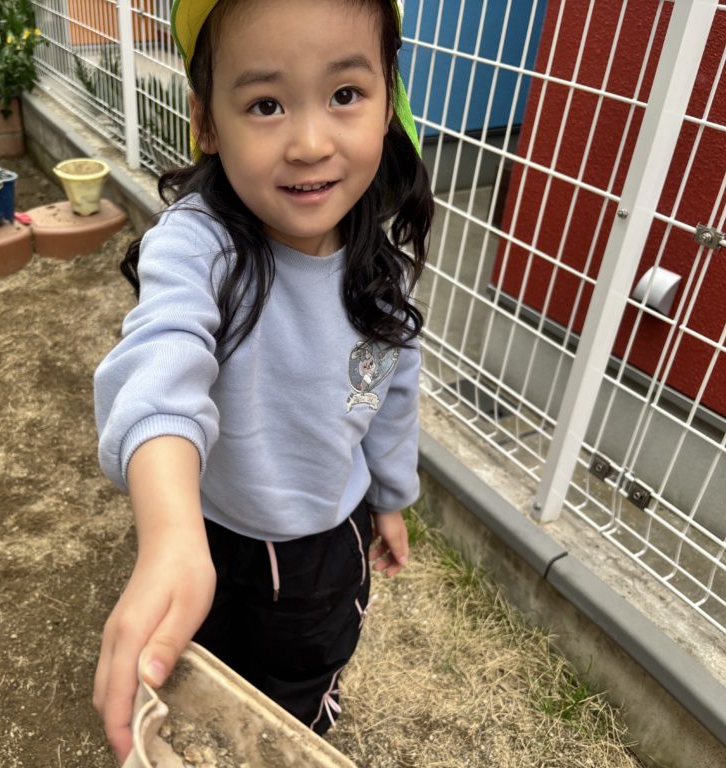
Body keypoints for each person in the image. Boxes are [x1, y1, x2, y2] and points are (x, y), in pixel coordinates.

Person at [92, 0, 434, 761]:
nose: (310, 144)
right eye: (266, 104)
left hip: (328, 543)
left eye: (345, 94)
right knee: (206, 672)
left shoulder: (383, 276)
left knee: (301, 682)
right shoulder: (198, 246)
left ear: (388, 103)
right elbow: (159, 362)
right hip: (213, 529)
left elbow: (391, 395)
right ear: (207, 123)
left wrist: (390, 496)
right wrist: (171, 533)